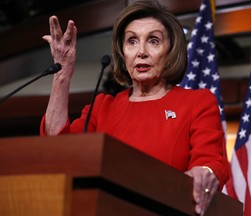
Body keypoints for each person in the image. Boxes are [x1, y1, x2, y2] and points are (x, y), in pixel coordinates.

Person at [40, 0, 229, 215]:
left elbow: (210, 160)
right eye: (132, 41)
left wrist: (204, 172)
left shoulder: (197, 103)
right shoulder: (103, 107)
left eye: (153, 41)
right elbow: (58, 150)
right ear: (122, 53)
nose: (141, 52)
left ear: (171, 51)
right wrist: (62, 74)